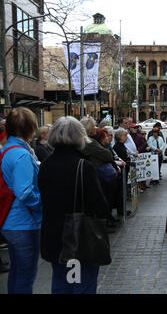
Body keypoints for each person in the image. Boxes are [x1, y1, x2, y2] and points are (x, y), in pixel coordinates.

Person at [38, 117, 110, 294]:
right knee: (80, 285)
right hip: (77, 240)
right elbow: (100, 206)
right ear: (80, 136)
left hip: (54, 236)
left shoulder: (45, 165)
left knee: (62, 284)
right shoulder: (83, 166)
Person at [1, 107, 42, 294]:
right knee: (25, 275)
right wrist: (43, 202)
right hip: (23, 222)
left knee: (17, 273)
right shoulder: (21, 154)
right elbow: (25, 192)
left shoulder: (7, 149)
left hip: (12, 221)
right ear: (30, 129)